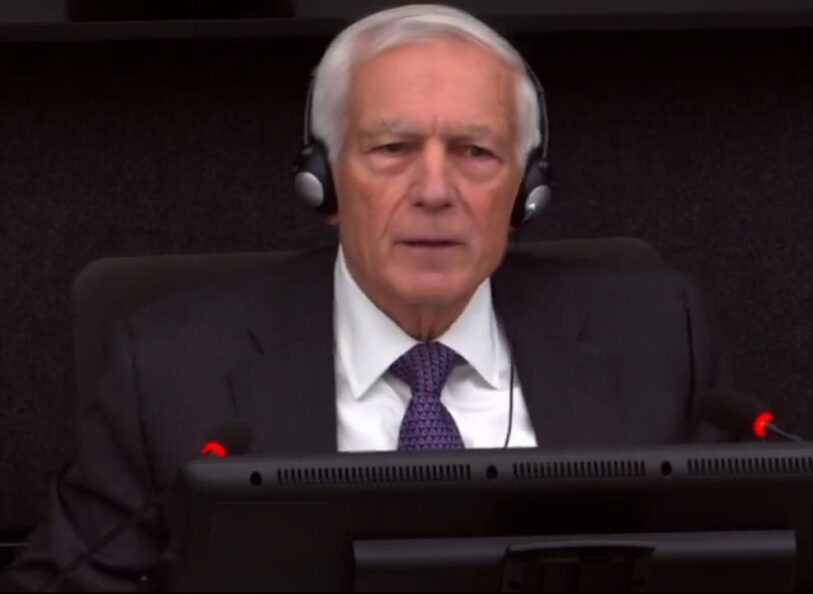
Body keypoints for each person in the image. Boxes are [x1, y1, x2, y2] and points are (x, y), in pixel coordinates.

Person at [1, 4, 732, 590]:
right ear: (321, 182)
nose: (436, 192)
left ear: (526, 192)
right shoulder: (171, 371)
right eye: (393, 149)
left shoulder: (656, 339)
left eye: (476, 153)